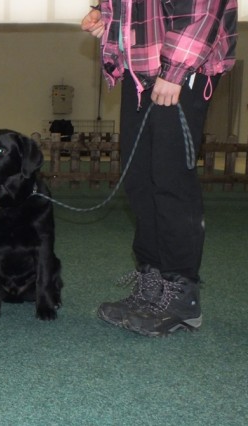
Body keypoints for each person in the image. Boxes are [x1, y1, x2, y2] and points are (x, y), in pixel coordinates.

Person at [81, 1, 237, 336]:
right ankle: (152, 285)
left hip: (181, 68)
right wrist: (107, 17)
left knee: (170, 181)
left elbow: (203, 7)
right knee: (139, 181)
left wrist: (176, 70)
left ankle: (182, 296)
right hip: (141, 69)